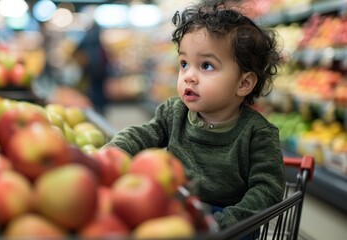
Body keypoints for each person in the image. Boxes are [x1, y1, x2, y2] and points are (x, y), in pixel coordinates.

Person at [104, 1, 286, 232]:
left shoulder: (257, 133)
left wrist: (226, 223)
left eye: (206, 66)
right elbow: (141, 134)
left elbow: (267, 190)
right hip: (176, 209)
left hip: (228, 223)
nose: (189, 76)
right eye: (184, 63)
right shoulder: (173, 112)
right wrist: (113, 154)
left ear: (244, 83)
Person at [73, 21, 110, 114]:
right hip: (101, 68)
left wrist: (80, 63)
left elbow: (76, 50)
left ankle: (95, 108)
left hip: (90, 68)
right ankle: (101, 108)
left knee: (93, 88)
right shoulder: (98, 38)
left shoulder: (85, 38)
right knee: (100, 89)